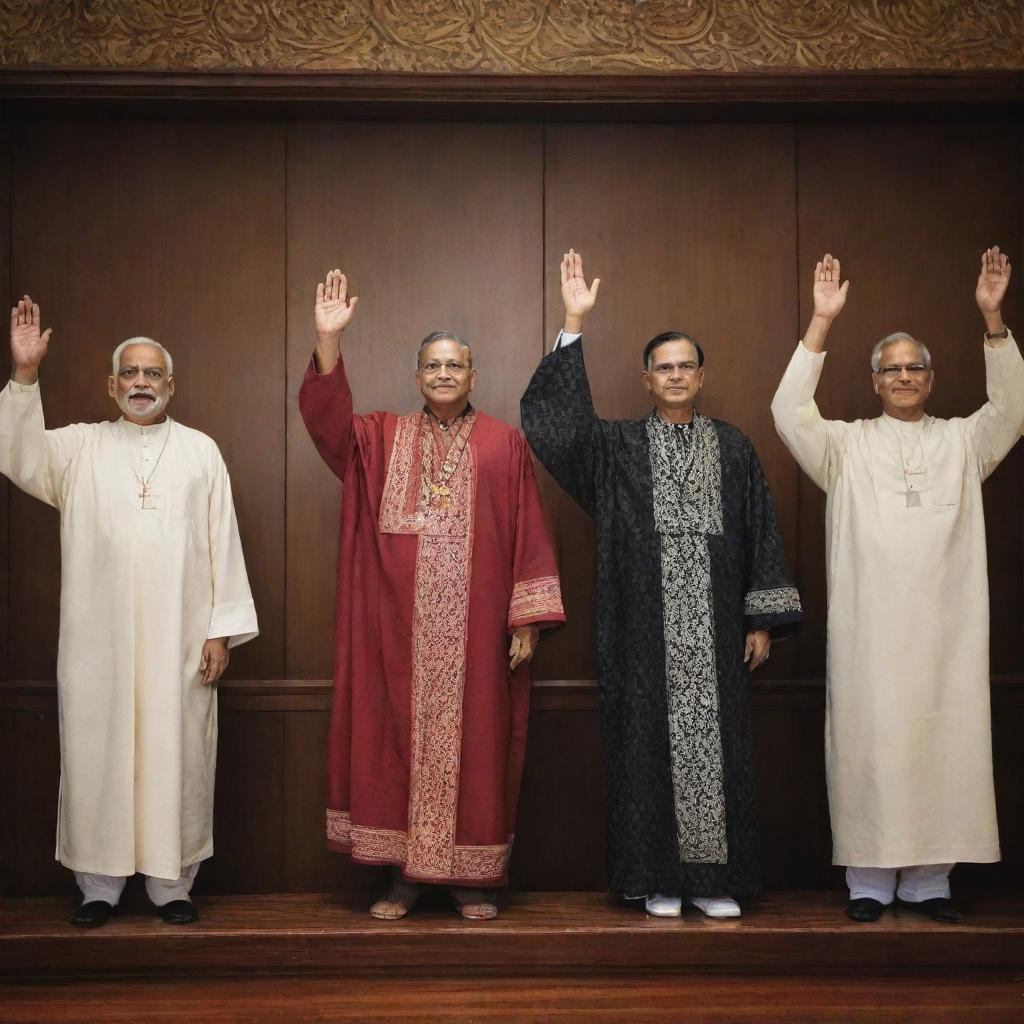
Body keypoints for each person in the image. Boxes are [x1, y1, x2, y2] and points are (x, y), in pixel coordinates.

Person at [521, 251, 802, 918]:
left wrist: (760, 620)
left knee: (719, 751)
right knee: (644, 748)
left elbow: (762, 529)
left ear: (702, 377)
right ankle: (655, 879)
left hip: (715, 636)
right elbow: (558, 432)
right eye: (663, 367)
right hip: (639, 629)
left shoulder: (734, 448)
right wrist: (573, 320)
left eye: (685, 366)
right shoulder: (615, 449)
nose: (675, 376)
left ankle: (712, 882)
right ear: (646, 381)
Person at [299, 269, 564, 921]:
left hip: (477, 637)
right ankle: (406, 879)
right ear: (418, 376)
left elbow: (530, 529)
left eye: (456, 366)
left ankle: (471, 879)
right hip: (395, 637)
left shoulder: (505, 445)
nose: (444, 375)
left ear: (473, 377)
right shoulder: (383, 439)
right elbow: (329, 428)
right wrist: (328, 342)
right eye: (433, 365)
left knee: (477, 752)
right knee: (396, 751)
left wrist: (525, 620)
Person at [771, 248, 1023, 923]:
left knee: (947, 742)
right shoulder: (845, 447)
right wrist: (822, 322)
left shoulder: (965, 443)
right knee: (868, 743)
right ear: (875, 380)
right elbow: (788, 411)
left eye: (915, 368)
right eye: (893, 368)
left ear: (932, 379)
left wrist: (992, 317)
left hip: (948, 636)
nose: (904, 376)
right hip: (870, 633)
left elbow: (1014, 407)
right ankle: (871, 881)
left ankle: (929, 880)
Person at [1, 296, 258, 927]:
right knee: (98, 752)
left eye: (152, 375)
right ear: (111, 385)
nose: (140, 383)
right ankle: (100, 886)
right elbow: (18, 454)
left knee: (178, 756)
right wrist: (25, 374)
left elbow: (223, 541)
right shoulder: (79, 448)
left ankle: (173, 887)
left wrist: (221, 632)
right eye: (130, 374)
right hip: (99, 644)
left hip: (180, 642)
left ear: (171, 386)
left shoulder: (202, 452)